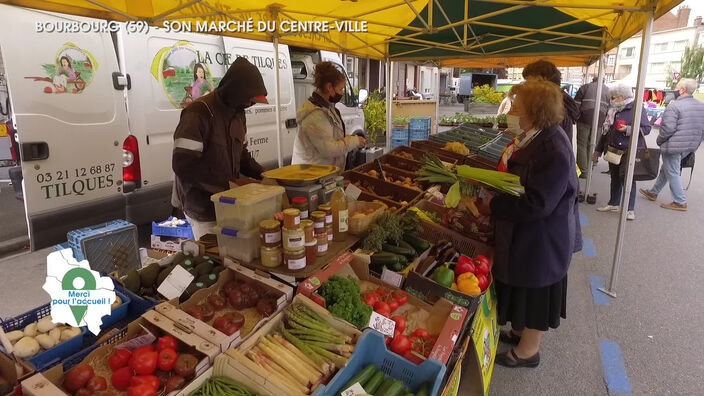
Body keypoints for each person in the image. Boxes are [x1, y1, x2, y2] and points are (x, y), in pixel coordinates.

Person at [489, 79, 579, 368]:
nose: (511, 109)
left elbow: (537, 203)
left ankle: (529, 351)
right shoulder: (536, 136)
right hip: (529, 234)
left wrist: (492, 204)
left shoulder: (553, 148)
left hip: (542, 238)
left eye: (517, 105)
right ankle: (518, 332)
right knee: (523, 286)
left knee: (536, 290)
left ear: (534, 111)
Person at [171, 57, 268, 239]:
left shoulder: (238, 113)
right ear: (236, 91)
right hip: (202, 206)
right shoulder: (198, 113)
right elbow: (183, 164)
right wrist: (225, 184)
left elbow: (242, 155)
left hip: (228, 202)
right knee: (214, 257)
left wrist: (264, 174)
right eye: (249, 99)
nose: (251, 104)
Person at [639, 78, 704, 211]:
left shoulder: (674, 106)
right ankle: (653, 192)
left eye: (677, 86)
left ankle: (680, 201)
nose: (675, 89)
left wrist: (660, 141)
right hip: (689, 145)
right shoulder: (701, 106)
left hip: (673, 145)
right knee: (667, 169)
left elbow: (667, 129)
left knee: (672, 171)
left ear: (682, 90)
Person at [292, 61, 366, 169]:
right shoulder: (315, 116)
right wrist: (354, 141)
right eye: (340, 89)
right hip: (311, 176)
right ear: (329, 87)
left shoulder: (327, 108)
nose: (341, 93)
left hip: (323, 173)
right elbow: (329, 149)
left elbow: (333, 137)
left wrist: (352, 139)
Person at [594, 83, 651, 220]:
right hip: (613, 148)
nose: (611, 99)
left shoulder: (637, 108)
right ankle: (614, 203)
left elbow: (646, 128)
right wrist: (598, 151)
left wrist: (628, 129)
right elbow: (605, 132)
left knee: (627, 179)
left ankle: (629, 209)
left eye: (614, 97)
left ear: (622, 97)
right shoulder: (613, 109)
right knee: (614, 177)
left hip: (629, 150)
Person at [522, 60, 580, 143]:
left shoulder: (555, 110)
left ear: (544, 83)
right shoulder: (558, 104)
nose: (526, 87)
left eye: (529, 82)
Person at [574, 76, 610, 175]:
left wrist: (576, 117)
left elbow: (576, 104)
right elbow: (610, 109)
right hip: (600, 119)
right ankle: (590, 168)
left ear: (593, 80)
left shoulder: (584, 87)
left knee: (582, 144)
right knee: (593, 144)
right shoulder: (608, 91)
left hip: (584, 118)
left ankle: (583, 171)